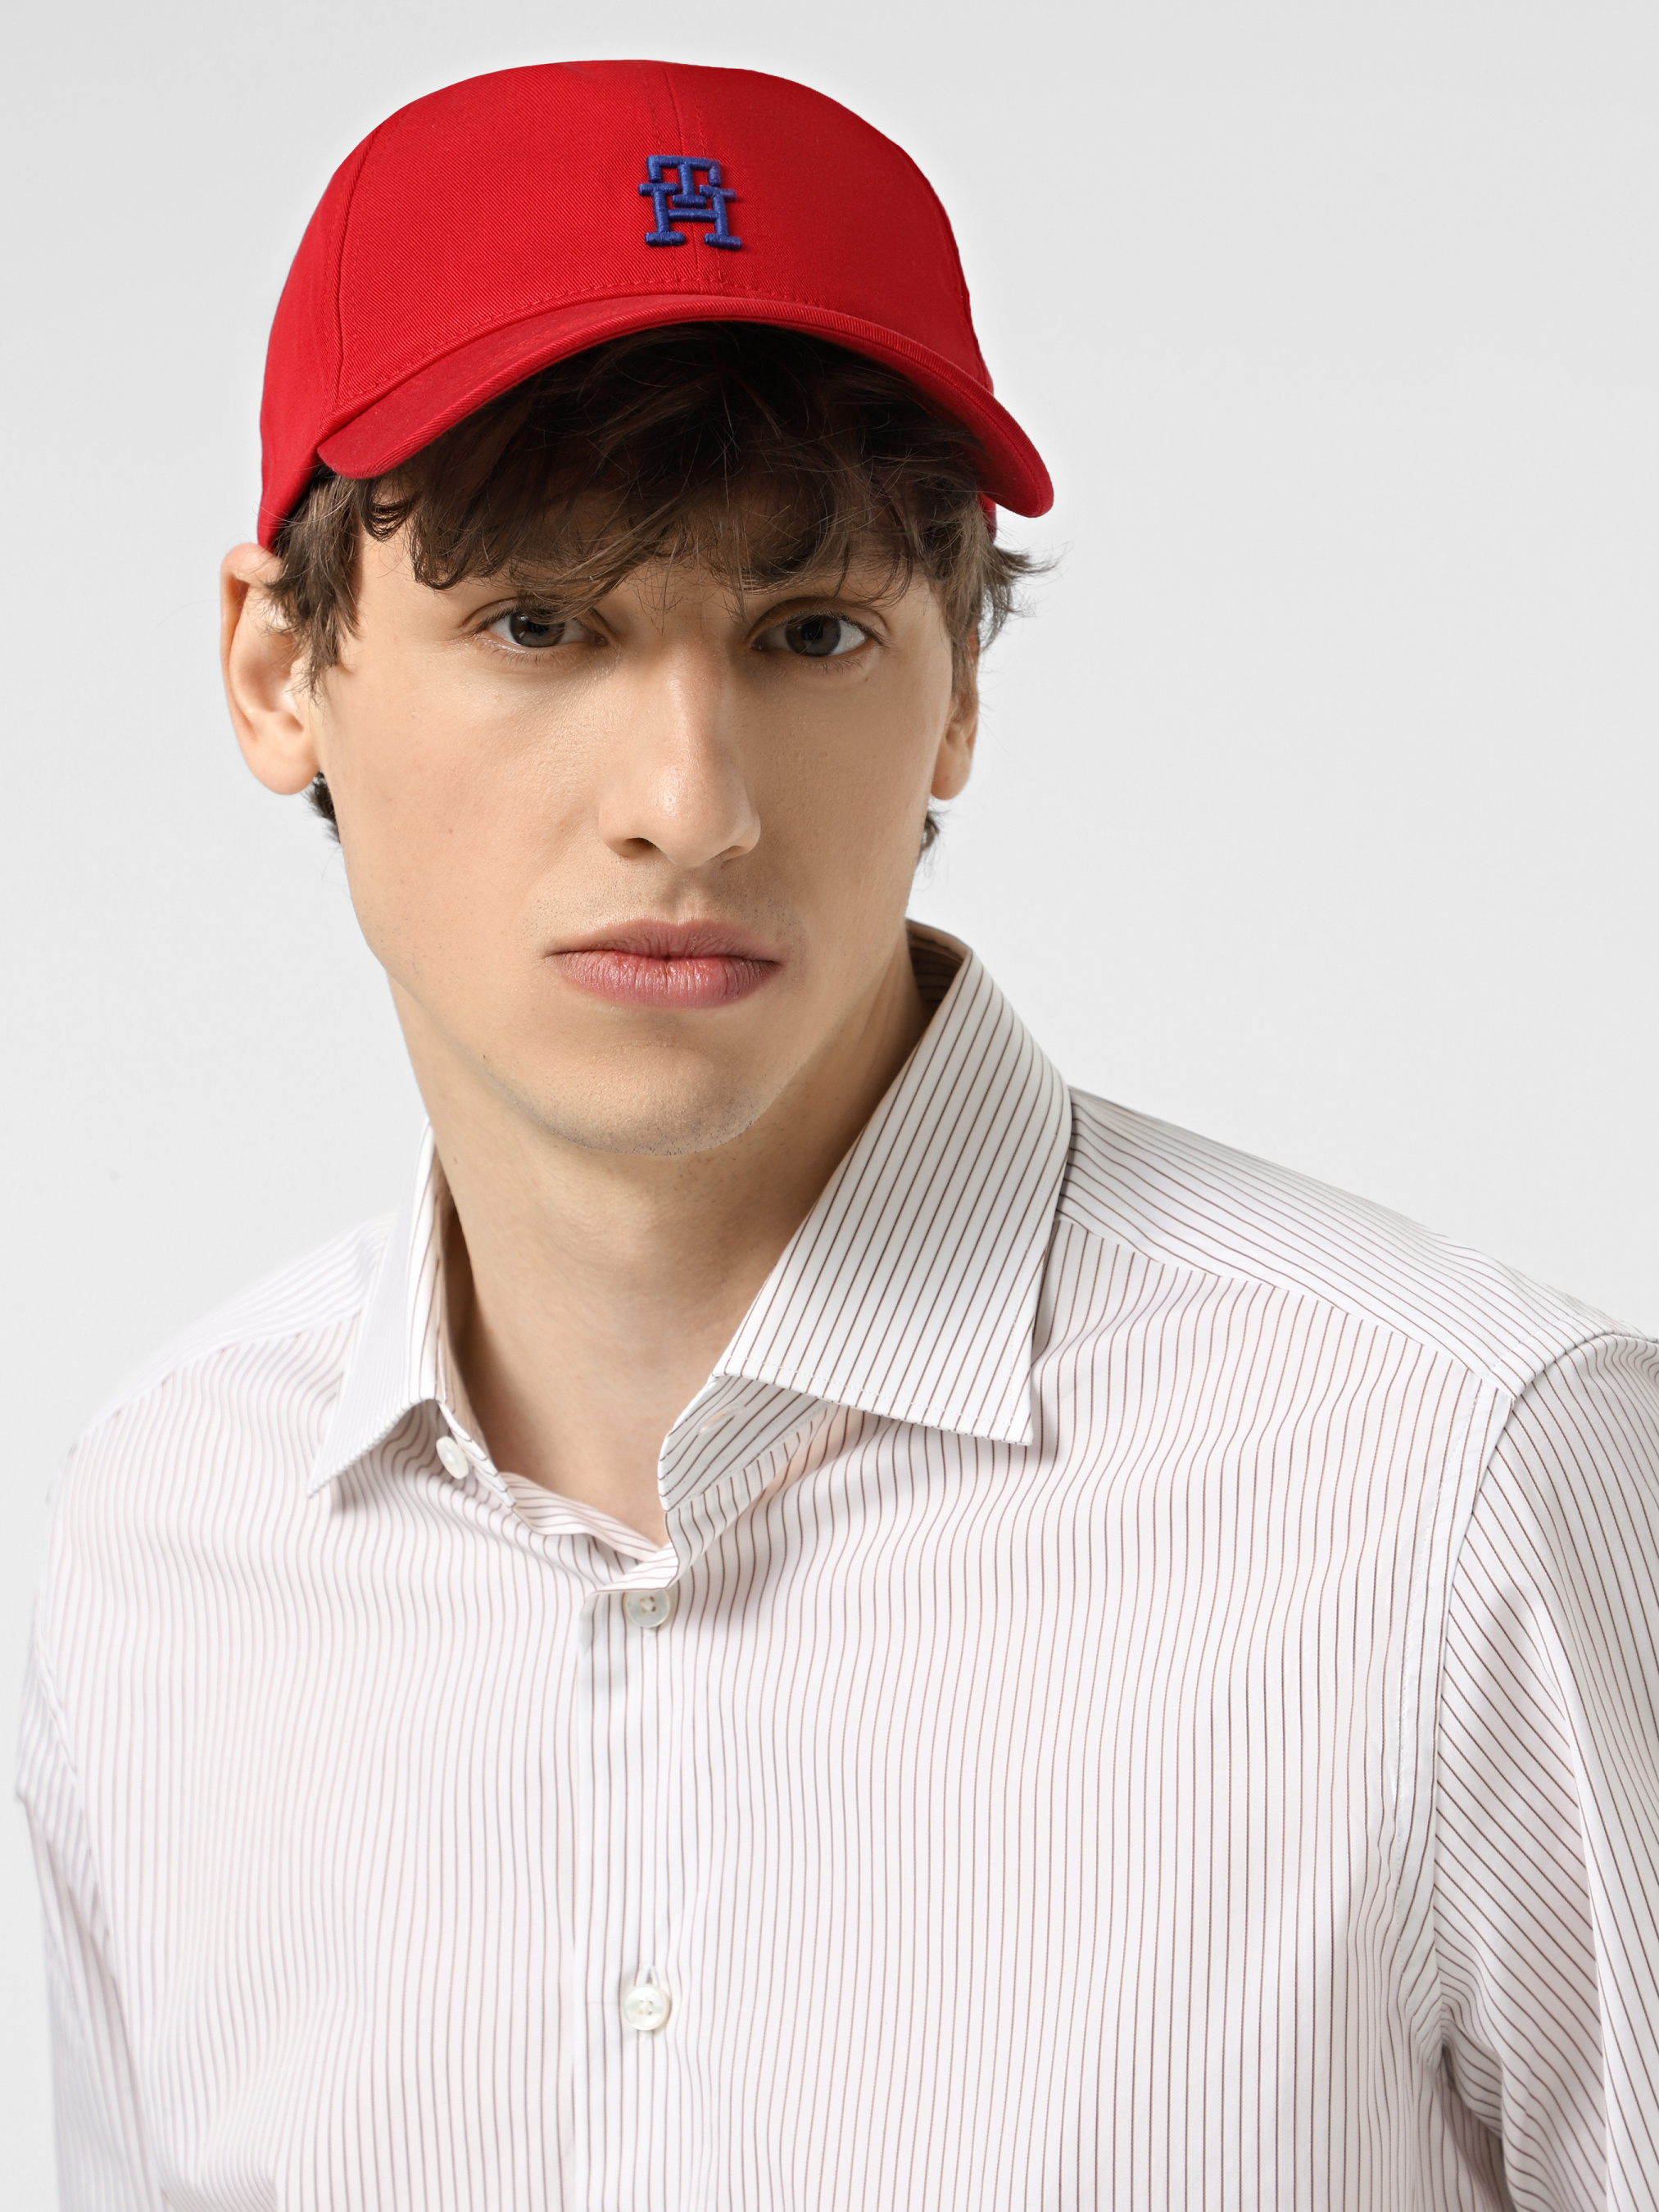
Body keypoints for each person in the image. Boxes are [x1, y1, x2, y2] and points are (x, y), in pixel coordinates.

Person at [16, 57, 1659, 2212]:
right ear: (273, 669)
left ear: (957, 683)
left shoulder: (1466, 1490)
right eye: (539, 622)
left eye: (810, 632)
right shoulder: (158, 1544)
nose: (688, 804)